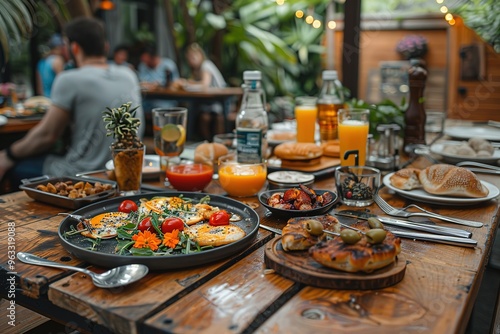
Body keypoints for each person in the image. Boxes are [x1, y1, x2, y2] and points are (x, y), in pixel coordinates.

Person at [0, 17, 144, 189]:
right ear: (105, 46)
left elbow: (46, 136)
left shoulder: (69, 79)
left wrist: (8, 155)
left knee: (16, 168)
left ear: (74, 48)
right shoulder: (128, 75)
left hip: (83, 175)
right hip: (126, 172)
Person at [176, 43, 227, 140]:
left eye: (194, 56)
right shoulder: (196, 69)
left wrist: (186, 84)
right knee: (200, 113)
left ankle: (207, 140)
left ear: (200, 55)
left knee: (198, 112)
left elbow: (204, 84)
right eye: (190, 57)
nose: (192, 59)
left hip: (217, 100)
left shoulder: (206, 65)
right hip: (207, 101)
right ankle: (205, 141)